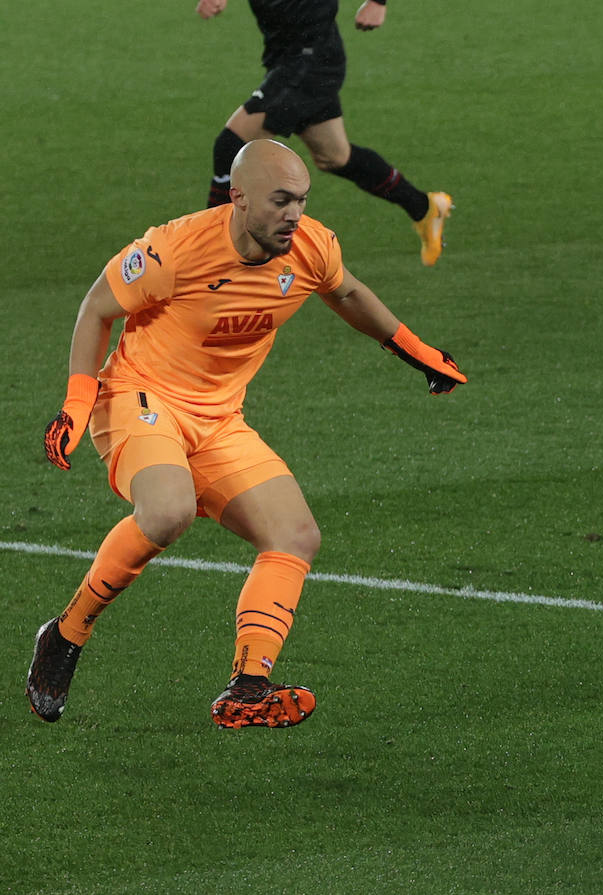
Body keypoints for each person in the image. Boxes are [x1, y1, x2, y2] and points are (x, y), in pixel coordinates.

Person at [30, 139, 466, 729]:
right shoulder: (175, 249)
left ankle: (249, 685)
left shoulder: (310, 248)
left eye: (302, 201)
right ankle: (67, 633)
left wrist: (416, 352)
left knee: (295, 535)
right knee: (166, 511)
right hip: (139, 399)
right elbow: (96, 308)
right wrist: (76, 405)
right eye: (282, 200)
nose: (295, 215)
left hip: (218, 418)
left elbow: (349, 293)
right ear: (238, 198)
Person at [197, 0, 453, 266]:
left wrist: (377, 3)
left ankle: (211, 253)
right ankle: (424, 207)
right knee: (334, 156)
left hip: (311, 60)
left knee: (229, 145)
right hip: (288, 57)